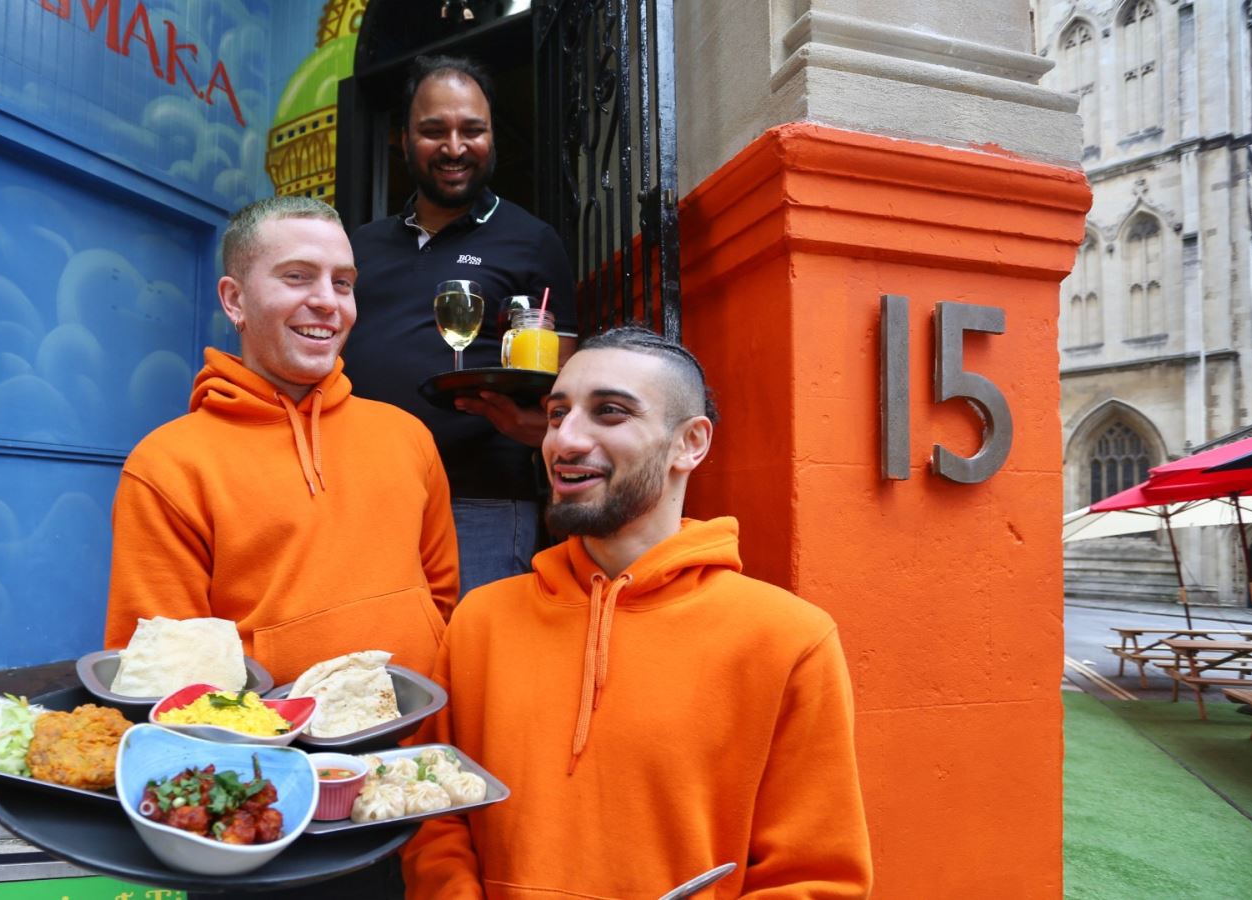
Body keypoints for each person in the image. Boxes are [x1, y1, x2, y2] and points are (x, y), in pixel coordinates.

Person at [401, 327, 873, 899]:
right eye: (556, 414)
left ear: (690, 444)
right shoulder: (481, 620)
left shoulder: (788, 639)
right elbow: (434, 810)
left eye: (610, 412)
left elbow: (816, 878)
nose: (565, 440)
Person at [103, 196, 459, 685]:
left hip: (418, 747)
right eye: (297, 276)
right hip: (269, 757)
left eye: (342, 282)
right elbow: (162, 678)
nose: (327, 302)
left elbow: (440, 599)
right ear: (235, 300)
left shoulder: (408, 435)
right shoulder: (167, 465)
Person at [344, 54, 577, 597]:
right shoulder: (360, 246)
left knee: (473, 662)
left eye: (472, 130)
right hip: (365, 493)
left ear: (492, 137)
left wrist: (535, 426)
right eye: (433, 131)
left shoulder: (531, 240)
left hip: (482, 501)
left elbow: (564, 377)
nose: (454, 147)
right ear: (402, 139)